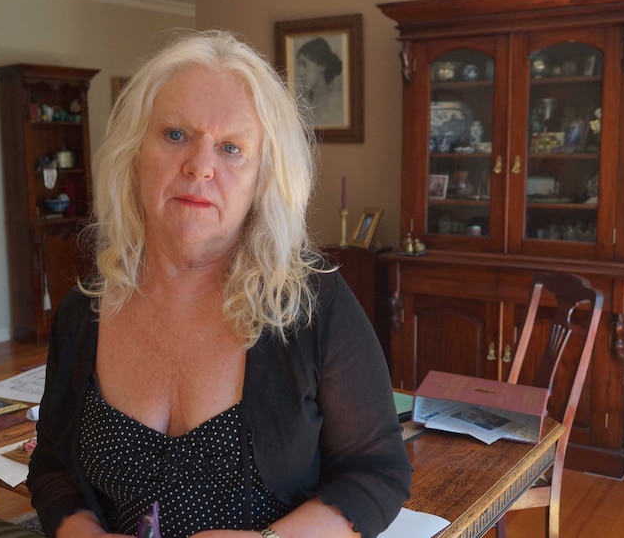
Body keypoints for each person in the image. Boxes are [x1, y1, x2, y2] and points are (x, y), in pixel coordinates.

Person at [27, 30, 412, 538]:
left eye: (231, 148)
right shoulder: (85, 311)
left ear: (262, 179)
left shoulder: (314, 305)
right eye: (175, 135)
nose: (200, 166)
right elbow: (52, 465)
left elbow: (378, 471)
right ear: (133, 153)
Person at [295, 37, 344, 127]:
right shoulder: (299, 107)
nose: (300, 73)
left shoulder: (340, 103)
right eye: (299, 65)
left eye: (305, 64)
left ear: (322, 65)